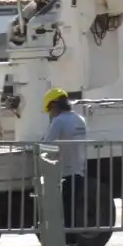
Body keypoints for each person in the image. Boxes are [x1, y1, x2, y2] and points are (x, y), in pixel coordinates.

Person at [42, 88, 89, 237]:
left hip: (65, 172)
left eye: (49, 109)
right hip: (80, 171)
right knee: (74, 210)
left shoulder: (59, 121)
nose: (50, 113)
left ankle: (67, 243)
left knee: (65, 211)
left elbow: (46, 145)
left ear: (54, 105)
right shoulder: (80, 119)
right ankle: (74, 242)